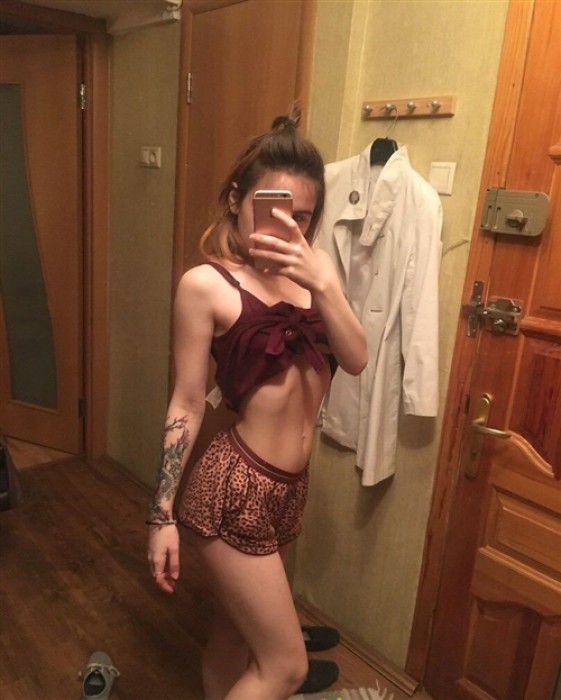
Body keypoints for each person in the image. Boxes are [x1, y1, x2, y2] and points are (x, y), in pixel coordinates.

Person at [147, 110, 368, 700]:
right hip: (232, 489)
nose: (286, 227)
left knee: (234, 635)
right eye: (274, 209)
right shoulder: (206, 284)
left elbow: (356, 358)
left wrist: (325, 284)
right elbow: (187, 401)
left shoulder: (315, 277)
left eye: (303, 217)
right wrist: (161, 514)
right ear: (235, 199)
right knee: (286, 668)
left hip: (289, 488)